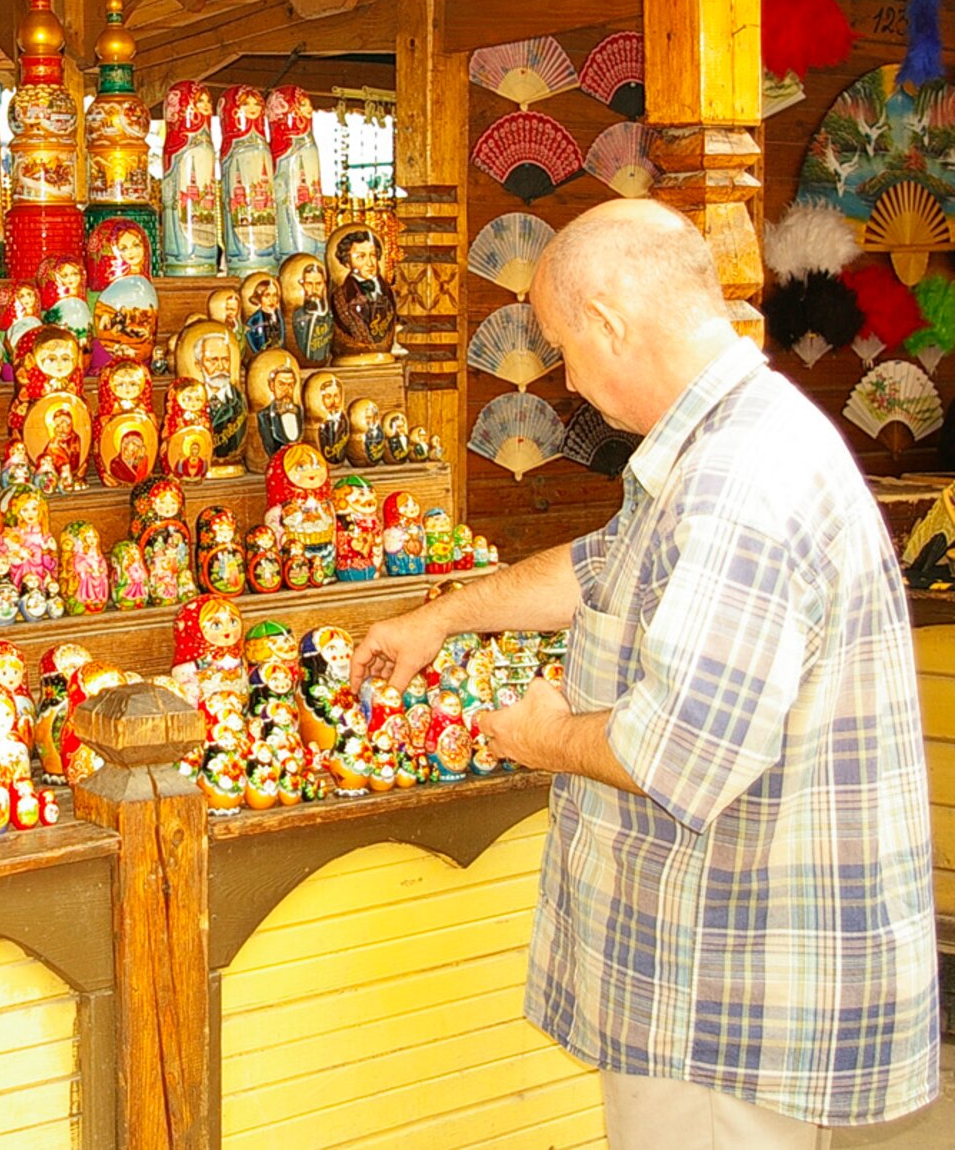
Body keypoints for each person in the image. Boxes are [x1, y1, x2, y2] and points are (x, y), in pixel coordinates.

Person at [349, 200, 938, 1148]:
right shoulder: (718, 445)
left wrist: (538, 735)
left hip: (731, 998)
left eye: (561, 346)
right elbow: (602, 568)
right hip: (718, 980)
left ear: (612, 321)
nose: (565, 378)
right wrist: (443, 617)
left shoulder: (742, 479)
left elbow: (680, 751)